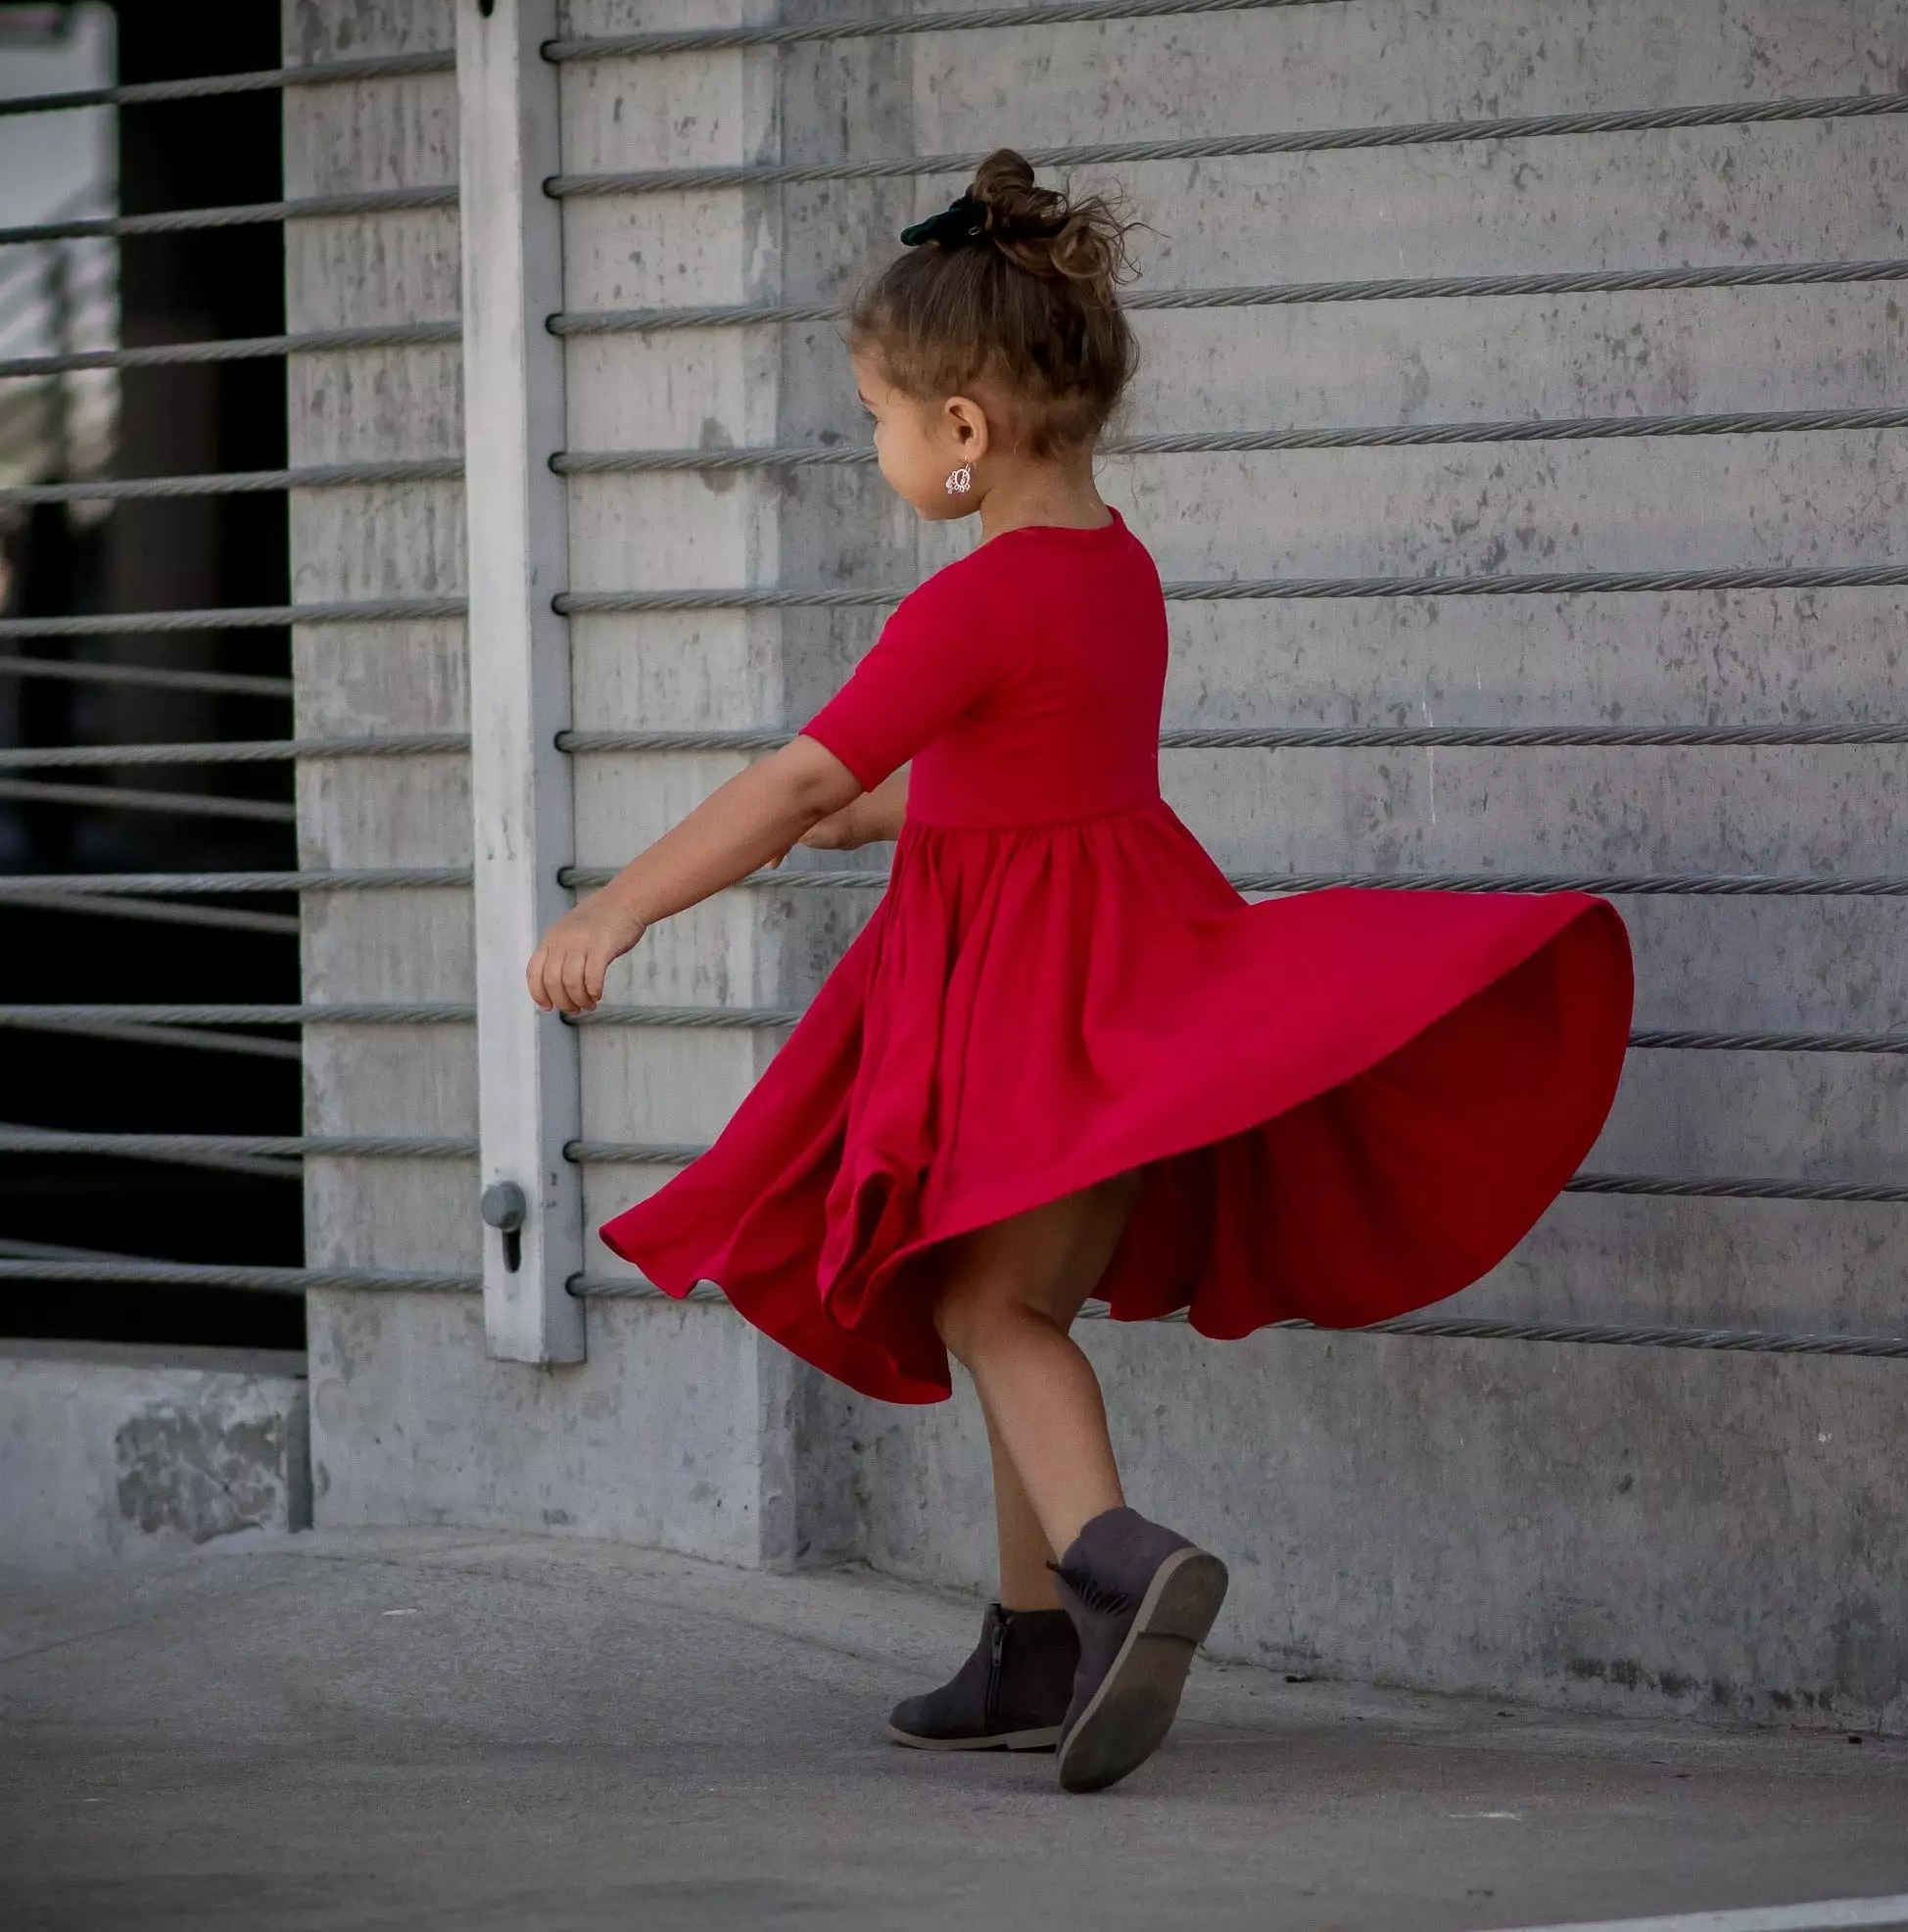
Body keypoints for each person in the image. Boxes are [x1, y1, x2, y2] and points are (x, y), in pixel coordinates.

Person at [526, 150, 1634, 1795]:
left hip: (1039, 1015)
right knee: (1003, 1292)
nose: (878, 449)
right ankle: (1027, 1643)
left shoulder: (972, 606)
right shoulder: (1115, 570)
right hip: (1134, 995)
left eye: (880, 422)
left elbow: (798, 780)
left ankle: (1118, 1561)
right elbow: (1041, 767)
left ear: (960, 435)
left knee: (990, 1304)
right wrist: (895, 810)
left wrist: (619, 909)